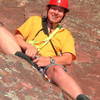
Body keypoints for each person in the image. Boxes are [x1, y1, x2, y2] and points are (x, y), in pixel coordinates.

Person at [0, 0, 90, 100]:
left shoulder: (65, 34)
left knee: (58, 70)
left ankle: (81, 98)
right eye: (54, 9)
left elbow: (68, 58)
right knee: (1, 31)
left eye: (60, 11)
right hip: (24, 54)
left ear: (64, 14)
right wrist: (27, 46)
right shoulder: (34, 20)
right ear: (48, 9)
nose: (56, 12)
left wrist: (49, 60)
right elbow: (17, 37)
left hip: (47, 66)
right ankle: (22, 60)